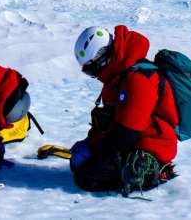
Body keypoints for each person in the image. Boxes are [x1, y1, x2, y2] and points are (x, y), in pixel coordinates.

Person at [70, 26, 178, 195]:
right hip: (134, 141)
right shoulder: (118, 76)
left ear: (102, 57)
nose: (94, 75)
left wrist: (93, 148)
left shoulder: (139, 79)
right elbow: (114, 122)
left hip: (151, 146)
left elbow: (126, 132)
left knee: (86, 177)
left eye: (91, 69)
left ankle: (152, 173)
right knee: (81, 167)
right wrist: (91, 142)